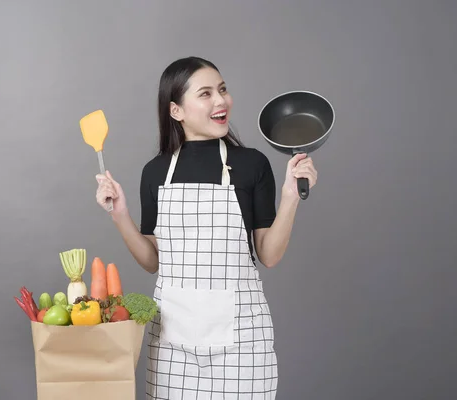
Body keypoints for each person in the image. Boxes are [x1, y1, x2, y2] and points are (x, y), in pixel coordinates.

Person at [94, 56, 318, 399]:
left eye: (223, 90)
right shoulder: (155, 173)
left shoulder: (251, 164)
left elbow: (269, 255)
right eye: (206, 93)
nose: (220, 101)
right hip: (173, 341)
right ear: (176, 111)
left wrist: (291, 196)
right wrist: (119, 214)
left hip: (242, 339)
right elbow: (153, 261)